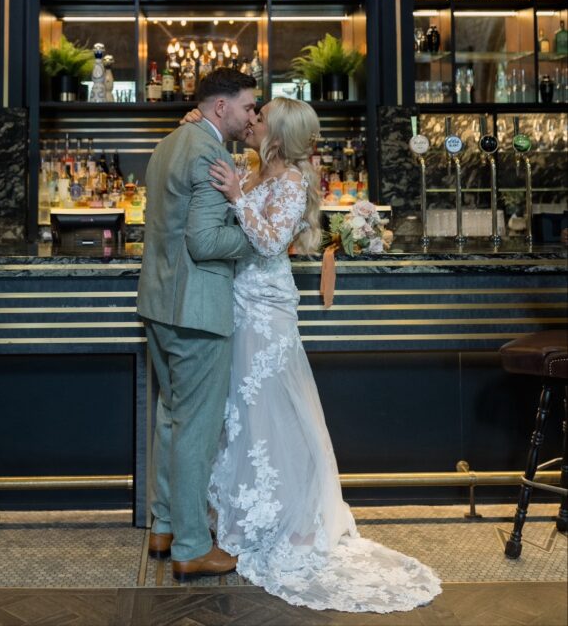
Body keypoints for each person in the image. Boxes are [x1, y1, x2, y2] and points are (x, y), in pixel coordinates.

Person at [187, 96, 442, 613]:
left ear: (277, 135)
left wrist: (238, 197)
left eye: (259, 119)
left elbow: (270, 242)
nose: (251, 121)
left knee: (274, 408)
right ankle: (243, 512)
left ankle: (290, 519)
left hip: (266, 309)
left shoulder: (290, 181)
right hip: (241, 304)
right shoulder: (259, 172)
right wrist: (198, 123)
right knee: (242, 412)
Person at [137, 67, 258, 582]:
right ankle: (190, 546)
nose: (252, 114)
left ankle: (163, 526)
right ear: (219, 108)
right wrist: (260, 239)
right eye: (248, 106)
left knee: (169, 417)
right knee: (196, 429)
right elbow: (205, 243)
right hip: (197, 311)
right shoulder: (211, 153)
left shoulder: (166, 144)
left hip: (160, 303)